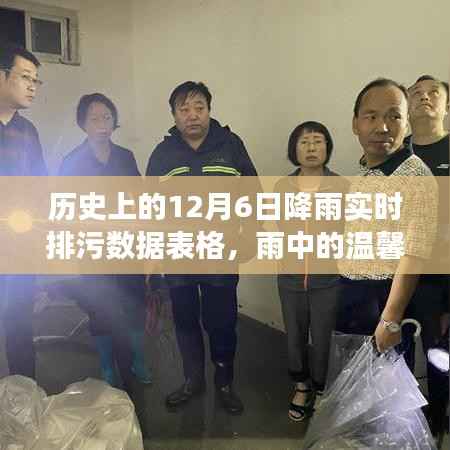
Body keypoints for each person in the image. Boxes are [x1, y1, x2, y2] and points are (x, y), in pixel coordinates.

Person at [146, 81, 258, 415]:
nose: (192, 115)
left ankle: (224, 383)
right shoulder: (162, 154)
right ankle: (193, 380)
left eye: (199, 107)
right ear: (174, 115)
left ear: (209, 110)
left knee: (221, 322)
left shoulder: (231, 145)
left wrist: (250, 237)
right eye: (184, 109)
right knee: (184, 321)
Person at [336, 78, 437, 353]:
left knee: (384, 377)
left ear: (407, 124)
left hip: (383, 300)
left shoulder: (416, 176)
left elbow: (414, 254)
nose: (382, 127)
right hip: (352, 292)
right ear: (355, 124)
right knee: (351, 372)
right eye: (371, 116)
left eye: (394, 116)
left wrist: (391, 319)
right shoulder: (365, 171)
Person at [58, 93, 151, 389]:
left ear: (114, 121)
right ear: (83, 123)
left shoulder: (125, 156)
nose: (102, 124)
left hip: (127, 245)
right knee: (99, 309)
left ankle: (137, 359)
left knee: (134, 304)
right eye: (94, 118)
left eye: (107, 117)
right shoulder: (72, 162)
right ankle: (108, 366)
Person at [275, 121, 349, 421]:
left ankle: (320, 388)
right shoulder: (283, 187)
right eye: (304, 142)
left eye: (318, 141)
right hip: (290, 277)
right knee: (294, 334)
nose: (311, 148)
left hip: (328, 279)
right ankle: (301, 385)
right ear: (294, 149)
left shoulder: (341, 186)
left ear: (327, 148)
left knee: (323, 337)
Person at [0, 43, 47, 379]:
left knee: (19, 326)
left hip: (17, 247)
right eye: (25, 77)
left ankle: (24, 394)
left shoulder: (28, 133)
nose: (33, 86)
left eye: (36, 80)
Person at [407, 74, 449, 436]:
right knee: (397, 347)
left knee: (439, 350)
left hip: (442, 276)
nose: (424, 97)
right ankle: (401, 416)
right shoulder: (395, 153)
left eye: (433, 92)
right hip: (397, 272)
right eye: (416, 93)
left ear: (446, 105)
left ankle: (436, 416)